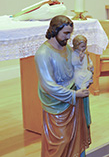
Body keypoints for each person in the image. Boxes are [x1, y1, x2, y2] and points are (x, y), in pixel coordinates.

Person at [35, 15, 91, 157]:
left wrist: (86, 73)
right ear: (54, 30)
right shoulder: (43, 53)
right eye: (66, 33)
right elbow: (48, 85)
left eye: (70, 33)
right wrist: (74, 94)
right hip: (57, 104)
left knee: (74, 138)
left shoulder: (67, 48)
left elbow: (76, 69)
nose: (68, 37)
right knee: (61, 141)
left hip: (73, 102)